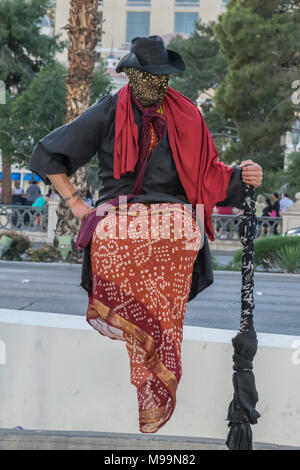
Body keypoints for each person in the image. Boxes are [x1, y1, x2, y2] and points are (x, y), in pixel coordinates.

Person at [28, 36, 263, 434]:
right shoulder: (107, 111)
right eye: (149, 75)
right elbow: (48, 153)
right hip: (119, 208)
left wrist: (244, 176)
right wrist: (77, 205)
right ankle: (146, 338)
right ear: (132, 75)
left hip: (173, 208)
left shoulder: (187, 114)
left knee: (180, 231)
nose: (157, 83)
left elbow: (209, 173)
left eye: (162, 77)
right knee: (115, 237)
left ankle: (159, 344)